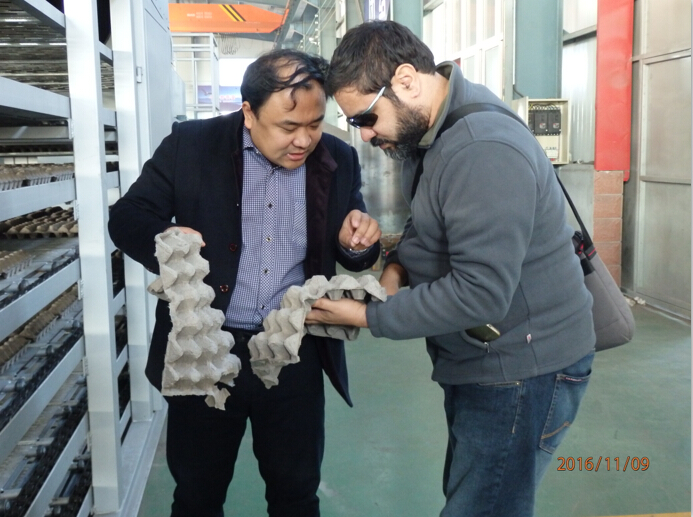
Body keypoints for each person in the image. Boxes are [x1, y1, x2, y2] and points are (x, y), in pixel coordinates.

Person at [306, 20, 595, 517]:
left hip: (520, 370)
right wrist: (395, 270)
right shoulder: (432, 131)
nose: (366, 135)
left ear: (405, 80)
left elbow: (480, 293)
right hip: (484, 359)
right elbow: (429, 222)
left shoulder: (481, 148)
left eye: (366, 118)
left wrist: (367, 316)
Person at [108, 49, 381, 517]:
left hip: (292, 351)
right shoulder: (192, 145)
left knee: (296, 494)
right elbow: (127, 216)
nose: (304, 140)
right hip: (205, 350)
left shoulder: (338, 158)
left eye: (315, 124)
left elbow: (353, 245)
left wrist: (357, 242)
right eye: (288, 127)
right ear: (249, 113)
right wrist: (164, 239)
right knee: (197, 495)